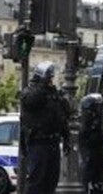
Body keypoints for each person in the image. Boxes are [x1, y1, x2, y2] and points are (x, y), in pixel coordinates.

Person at [20, 62, 71, 194]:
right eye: (49, 77)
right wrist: (42, 85)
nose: (51, 81)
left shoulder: (54, 94)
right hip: (38, 143)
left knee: (51, 181)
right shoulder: (30, 91)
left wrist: (66, 138)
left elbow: (62, 117)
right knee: (36, 182)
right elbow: (31, 101)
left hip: (53, 143)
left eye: (51, 78)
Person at [78, 94, 103, 194]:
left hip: (98, 147)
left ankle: (97, 184)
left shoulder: (98, 117)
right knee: (88, 166)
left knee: (98, 166)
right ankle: (88, 186)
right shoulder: (86, 118)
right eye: (96, 105)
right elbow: (84, 133)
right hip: (90, 147)